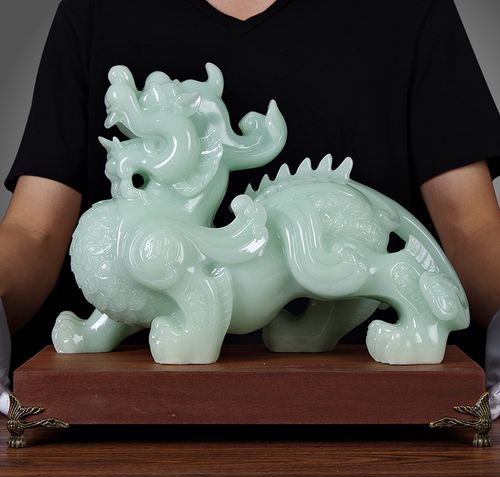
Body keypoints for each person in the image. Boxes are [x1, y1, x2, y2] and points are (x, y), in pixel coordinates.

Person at [1, 0, 499, 410]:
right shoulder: (95, 9)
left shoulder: (410, 9)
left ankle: (410, 299)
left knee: (326, 261)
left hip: (374, 424)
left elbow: (472, 229)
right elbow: (34, 232)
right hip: (117, 422)